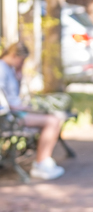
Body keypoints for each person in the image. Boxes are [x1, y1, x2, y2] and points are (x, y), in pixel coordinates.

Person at [0, 42, 65, 180]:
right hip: (10, 116)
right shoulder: (1, 69)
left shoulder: (9, 69)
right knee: (52, 121)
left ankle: (44, 161)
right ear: (13, 55)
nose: (22, 63)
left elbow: (13, 94)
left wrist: (19, 74)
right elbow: (3, 101)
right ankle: (41, 163)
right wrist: (19, 107)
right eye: (22, 60)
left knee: (55, 117)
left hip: (17, 112)